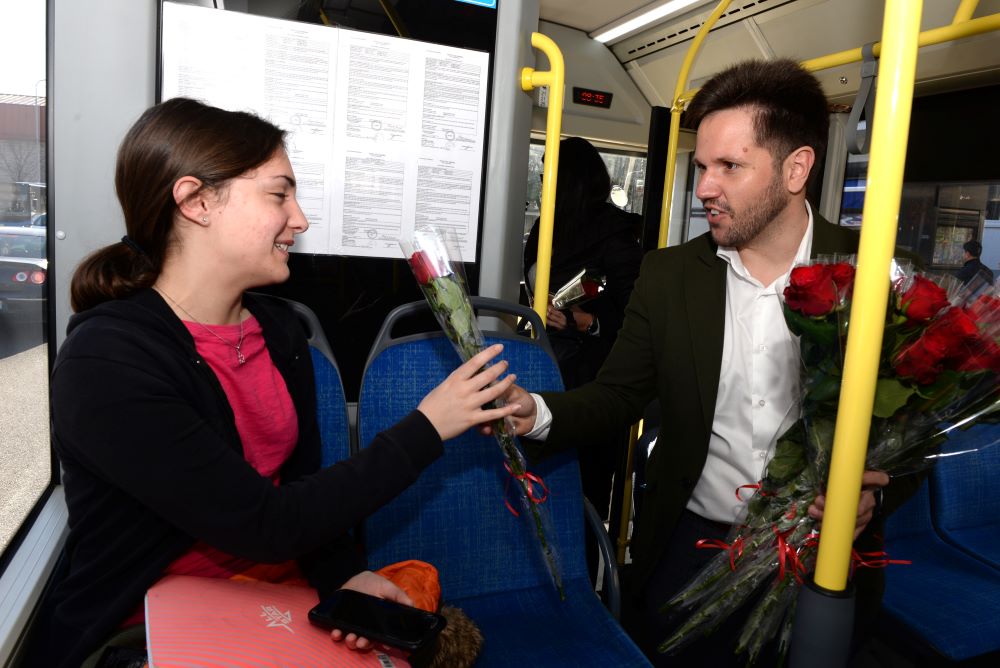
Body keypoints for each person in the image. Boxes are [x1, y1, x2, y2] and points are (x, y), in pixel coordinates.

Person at [24, 98, 520, 668]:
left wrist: (344, 578)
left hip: (280, 599)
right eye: (279, 195)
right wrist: (428, 427)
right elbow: (266, 522)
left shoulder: (279, 333)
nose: (300, 220)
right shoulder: (110, 361)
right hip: (149, 626)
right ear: (196, 201)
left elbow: (301, 490)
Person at [497, 59, 922, 665]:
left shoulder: (876, 272)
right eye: (702, 167)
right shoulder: (669, 275)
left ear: (796, 169)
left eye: (730, 166)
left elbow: (914, 428)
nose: (704, 188)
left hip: (822, 556)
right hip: (691, 545)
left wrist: (875, 494)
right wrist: (535, 411)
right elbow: (618, 395)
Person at [523, 137, 642, 581]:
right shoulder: (545, 227)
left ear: (569, 180)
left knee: (586, 491)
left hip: (593, 378)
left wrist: (583, 320)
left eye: (547, 176)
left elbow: (633, 315)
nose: (541, 183)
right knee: (540, 491)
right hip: (546, 367)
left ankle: (584, 584)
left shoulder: (616, 234)